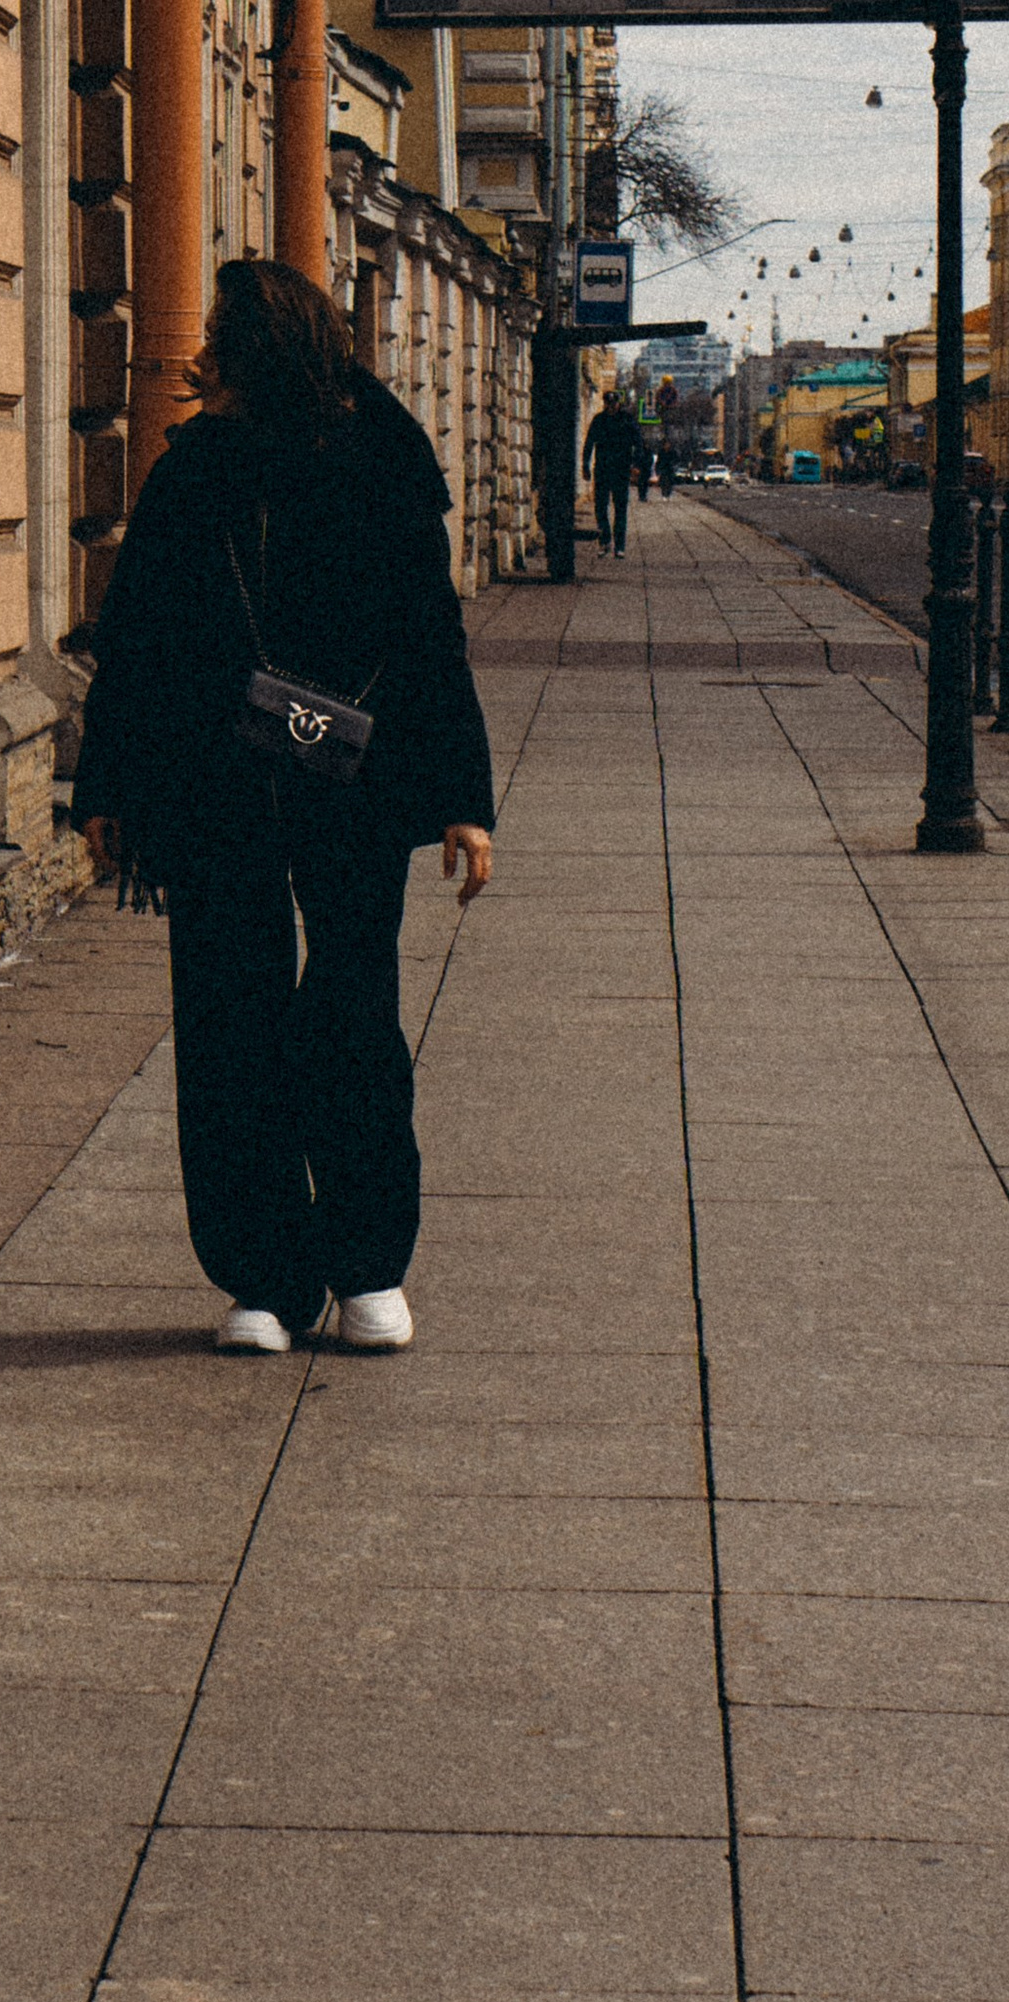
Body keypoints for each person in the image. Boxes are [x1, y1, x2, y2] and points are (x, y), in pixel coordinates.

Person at [73, 256, 496, 1359]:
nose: (198, 354)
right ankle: (261, 1277)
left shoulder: (384, 458)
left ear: (264, 351)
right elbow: (137, 640)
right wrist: (110, 788)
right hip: (213, 786)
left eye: (219, 336)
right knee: (226, 1021)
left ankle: (367, 1269)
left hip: (353, 782)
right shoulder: (195, 467)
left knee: (351, 1013)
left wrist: (462, 799)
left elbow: (428, 637)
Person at [584, 390, 638, 554]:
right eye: (608, 404)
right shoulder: (599, 420)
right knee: (600, 507)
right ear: (605, 404)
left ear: (618, 404)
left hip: (621, 469)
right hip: (602, 468)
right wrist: (585, 465)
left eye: (614, 404)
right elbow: (589, 443)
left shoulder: (627, 420)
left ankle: (620, 546)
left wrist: (635, 464)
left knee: (620, 508)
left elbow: (638, 442)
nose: (611, 407)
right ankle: (605, 540)